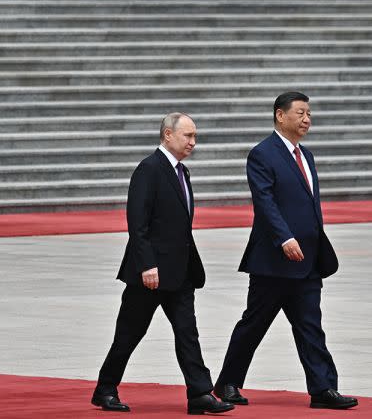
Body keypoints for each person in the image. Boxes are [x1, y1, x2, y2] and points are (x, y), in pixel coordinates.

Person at [214, 92, 358, 410]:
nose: (307, 119)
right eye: (301, 113)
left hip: (307, 260)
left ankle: (323, 389)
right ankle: (227, 384)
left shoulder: (306, 155)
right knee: (254, 324)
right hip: (273, 261)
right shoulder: (262, 154)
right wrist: (284, 238)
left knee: (310, 326)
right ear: (281, 116)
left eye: (309, 114)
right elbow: (264, 202)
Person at [92, 113, 234, 415]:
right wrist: (147, 265)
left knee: (187, 333)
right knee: (129, 333)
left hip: (180, 272)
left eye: (195, 137)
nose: (193, 142)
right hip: (150, 274)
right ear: (168, 135)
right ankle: (105, 388)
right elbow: (137, 223)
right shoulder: (149, 170)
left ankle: (199, 393)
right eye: (188, 136)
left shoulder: (183, 173)